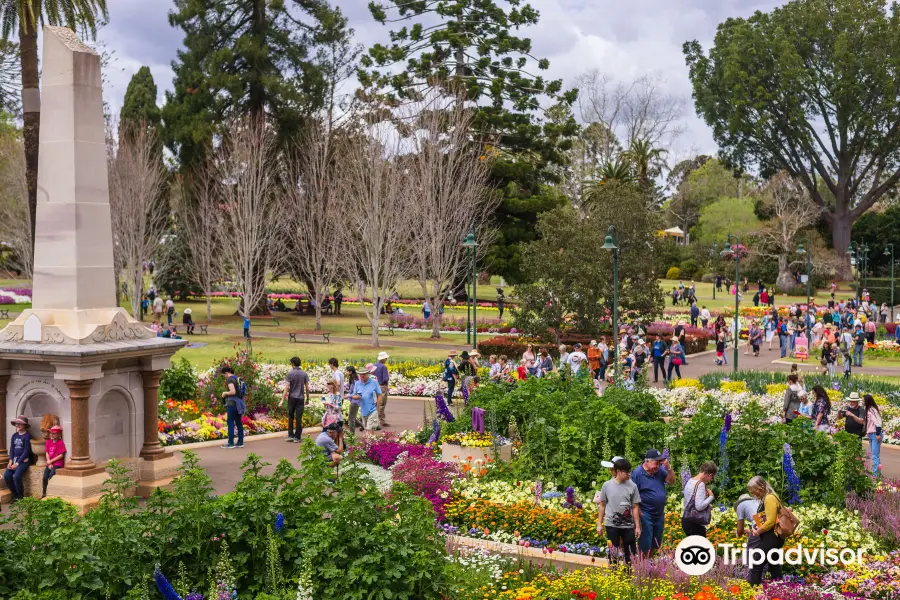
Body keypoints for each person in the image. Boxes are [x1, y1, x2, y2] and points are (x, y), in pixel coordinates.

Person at [631, 449, 675, 556]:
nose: (658, 466)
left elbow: (672, 481)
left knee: (656, 541)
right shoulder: (637, 474)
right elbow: (631, 496)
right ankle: (642, 566)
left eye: (660, 464)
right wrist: (638, 513)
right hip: (645, 513)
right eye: (656, 463)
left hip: (659, 514)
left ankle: (649, 564)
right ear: (647, 461)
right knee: (645, 542)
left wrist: (668, 468)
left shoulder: (659, 471)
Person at [597, 458, 642, 565]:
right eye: (626, 472)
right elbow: (602, 505)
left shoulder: (633, 486)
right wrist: (599, 524)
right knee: (613, 553)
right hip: (611, 525)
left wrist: (637, 526)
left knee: (630, 554)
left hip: (628, 525)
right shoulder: (606, 485)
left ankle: (629, 574)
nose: (629, 474)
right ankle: (614, 575)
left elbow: (635, 507)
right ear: (618, 471)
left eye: (629, 471)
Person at [747, 475, 785, 585]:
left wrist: (758, 531)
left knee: (757, 559)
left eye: (755, 492)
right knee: (773, 564)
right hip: (771, 537)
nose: (754, 495)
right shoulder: (767, 498)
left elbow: (771, 521)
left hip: (772, 537)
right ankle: (780, 588)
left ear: (761, 488)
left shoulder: (769, 498)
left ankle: (753, 590)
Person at [682, 462, 717, 537]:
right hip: (695, 523)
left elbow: (689, 501)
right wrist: (711, 497)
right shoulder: (700, 484)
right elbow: (699, 507)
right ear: (710, 475)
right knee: (700, 547)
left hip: (687, 520)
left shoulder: (690, 480)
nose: (710, 480)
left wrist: (707, 505)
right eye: (712, 477)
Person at [280, 357, 310, 442]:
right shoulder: (304, 374)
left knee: (290, 416)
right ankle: (297, 437)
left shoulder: (290, 374)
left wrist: (282, 399)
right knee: (299, 417)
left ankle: (290, 435)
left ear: (293, 364)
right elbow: (307, 388)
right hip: (300, 398)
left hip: (292, 397)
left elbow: (286, 387)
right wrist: (308, 398)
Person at [3, 416, 32, 502]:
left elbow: (26, 451)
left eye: (20, 423)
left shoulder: (27, 436)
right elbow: (12, 449)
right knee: (7, 475)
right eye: (17, 423)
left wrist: (17, 464)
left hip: (24, 461)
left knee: (16, 476)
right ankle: (14, 494)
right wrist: (10, 461)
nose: (18, 425)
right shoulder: (14, 436)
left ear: (25, 425)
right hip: (14, 460)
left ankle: (20, 496)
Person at [351, 364, 383, 432]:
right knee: (369, 430)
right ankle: (372, 442)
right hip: (363, 411)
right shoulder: (357, 383)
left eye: (364, 374)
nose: (362, 375)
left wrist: (377, 408)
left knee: (369, 429)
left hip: (373, 410)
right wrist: (353, 396)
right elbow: (355, 395)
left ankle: (367, 442)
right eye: (361, 374)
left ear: (368, 374)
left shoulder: (374, 382)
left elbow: (380, 395)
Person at [220, 367, 244, 449]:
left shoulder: (229, 380)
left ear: (226, 373)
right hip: (240, 403)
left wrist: (225, 393)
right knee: (239, 422)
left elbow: (232, 391)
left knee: (230, 422)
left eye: (224, 375)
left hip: (232, 403)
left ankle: (230, 443)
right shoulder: (238, 378)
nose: (224, 377)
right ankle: (240, 442)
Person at [42, 425, 66, 498]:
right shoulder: (48, 442)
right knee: (45, 477)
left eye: (54, 433)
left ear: (59, 435)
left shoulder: (60, 443)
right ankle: (44, 493)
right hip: (50, 463)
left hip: (58, 463)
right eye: (51, 433)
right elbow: (47, 452)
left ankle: (52, 494)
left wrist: (51, 461)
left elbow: (61, 455)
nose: (51, 435)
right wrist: (49, 462)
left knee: (51, 475)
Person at [864, 394, 882, 477]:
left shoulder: (871, 410)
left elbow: (878, 423)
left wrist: (878, 434)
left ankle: (876, 475)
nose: (862, 402)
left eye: (863, 400)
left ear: (867, 401)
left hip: (875, 434)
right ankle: (878, 473)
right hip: (872, 434)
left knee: (874, 456)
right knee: (875, 455)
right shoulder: (870, 409)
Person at [374, 352, 391, 426]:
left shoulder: (374, 366)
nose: (386, 359)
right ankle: (381, 420)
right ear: (383, 359)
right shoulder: (383, 367)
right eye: (385, 358)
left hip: (375, 386)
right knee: (382, 403)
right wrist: (387, 386)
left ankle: (374, 418)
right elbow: (385, 379)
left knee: (375, 403)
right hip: (382, 386)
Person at [345, 366, 361, 431]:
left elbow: (355, 393)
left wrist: (348, 395)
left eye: (347, 371)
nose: (345, 372)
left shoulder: (355, 381)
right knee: (352, 417)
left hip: (355, 401)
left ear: (350, 372)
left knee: (351, 419)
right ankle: (362, 425)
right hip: (354, 401)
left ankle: (352, 435)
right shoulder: (353, 379)